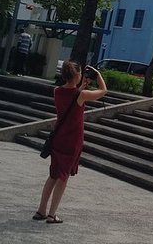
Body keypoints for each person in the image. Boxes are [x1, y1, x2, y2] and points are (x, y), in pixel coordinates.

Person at [32, 60, 107, 224]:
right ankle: (52, 214)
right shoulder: (81, 95)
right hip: (72, 140)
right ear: (78, 75)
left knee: (53, 175)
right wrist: (98, 74)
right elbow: (103, 91)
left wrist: (80, 87)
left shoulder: (57, 91)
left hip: (58, 139)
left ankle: (41, 210)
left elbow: (70, 98)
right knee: (63, 177)